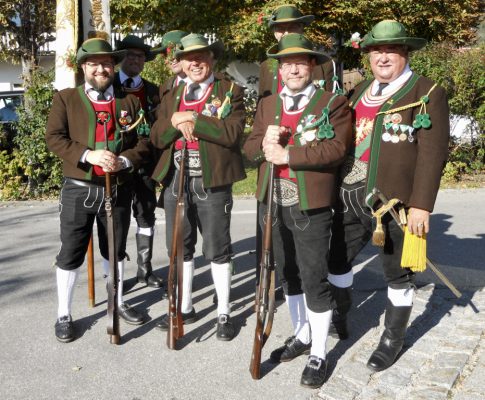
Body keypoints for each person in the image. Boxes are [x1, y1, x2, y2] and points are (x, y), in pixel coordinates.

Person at [327, 20, 450, 371]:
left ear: (405, 52)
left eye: (391, 50)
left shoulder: (426, 92)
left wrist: (422, 206)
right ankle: (341, 313)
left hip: (395, 205)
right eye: (376, 50)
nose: (382, 57)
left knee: (398, 274)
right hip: (349, 196)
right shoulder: (360, 90)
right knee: (336, 261)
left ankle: (392, 339)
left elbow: (432, 154)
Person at [244, 33, 352, 388]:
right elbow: (248, 150)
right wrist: (264, 143)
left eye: (300, 62)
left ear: (311, 66)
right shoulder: (267, 104)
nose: (293, 69)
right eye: (286, 63)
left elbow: (336, 149)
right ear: (279, 69)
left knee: (312, 277)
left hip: (311, 204)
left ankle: (319, 351)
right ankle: (302, 334)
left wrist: (289, 155)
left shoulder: (332, 103)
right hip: (272, 200)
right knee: (288, 274)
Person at [46, 38, 152, 342]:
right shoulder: (65, 99)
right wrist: (88, 155)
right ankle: (63, 313)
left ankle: (117, 302)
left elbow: (143, 142)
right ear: (84, 67)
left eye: (106, 63)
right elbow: (54, 138)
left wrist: (124, 160)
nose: (101, 68)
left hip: (117, 188)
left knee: (115, 249)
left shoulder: (129, 102)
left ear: (113, 66)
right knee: (71, 251)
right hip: (79, 188)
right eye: (93, 63)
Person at [150, 33, 246, 341]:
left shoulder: (230, 91)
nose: (196, 63)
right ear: (183, 62)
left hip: (212, 181)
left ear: (212, 59)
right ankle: (184, 306)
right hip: (176, 181)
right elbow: (156, 138)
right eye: (190, 58)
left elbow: (231, 134)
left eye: (202, 57)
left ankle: (224, 312)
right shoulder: (171, 94)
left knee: (218, 248)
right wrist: (174, 120)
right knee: (179, 247)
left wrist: (194, 118)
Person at [114, 35, 163, 289]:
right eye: (130, 55)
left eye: (140, 56)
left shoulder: (153, 90)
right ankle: (118, 275)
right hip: (117, 165)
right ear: (121, 58)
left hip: (145, 163)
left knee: (146, 215)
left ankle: (145, 270)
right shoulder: (108, 86)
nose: (135, 60)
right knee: (118, 220)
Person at [258, 4, 341, 101]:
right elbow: (261, 109)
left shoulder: (325, 64)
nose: (286, 33)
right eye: (280, 28)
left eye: (292, 27)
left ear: (302, 29)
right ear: (275, 33)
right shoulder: (265, 67)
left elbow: (334, 104)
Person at [157, 30, 188, 100]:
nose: (172, 58)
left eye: (177, 52)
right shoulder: (163, 90)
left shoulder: (209, 83)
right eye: (167, 54)